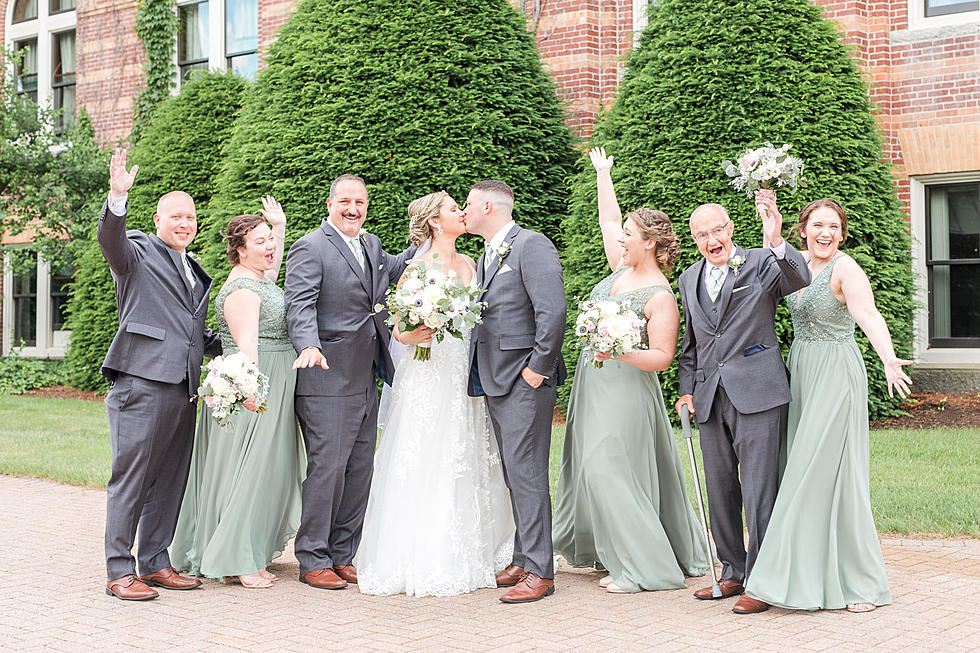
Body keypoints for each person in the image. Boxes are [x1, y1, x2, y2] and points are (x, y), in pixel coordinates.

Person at [552, 148, 708, 594]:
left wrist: (617, 350)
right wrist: (603, 175)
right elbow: (607, 222)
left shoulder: (660, 294)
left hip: (625, 388)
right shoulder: (620, 267)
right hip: (593, 384)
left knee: (610, 470)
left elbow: (661, 358)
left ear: (650, 243)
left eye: (630, 235)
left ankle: (646, 570)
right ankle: (614, 550)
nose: (621, 240)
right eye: (623, 235)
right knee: (588, 467)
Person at [745, 198, 910, 613]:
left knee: (828, 473)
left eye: (834, 226)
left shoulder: (846, 268)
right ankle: (805, 574)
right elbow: (768, 262)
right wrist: (772, 231)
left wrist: (888, 358)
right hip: (801, 371)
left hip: (837, 374)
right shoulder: (797, 261)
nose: (827, 233)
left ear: (842, 232)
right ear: (804, 230)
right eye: (818, 225)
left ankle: (861, 584)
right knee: (803, 469)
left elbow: (868, 315)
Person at [355, 191, 515, 597]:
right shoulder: (418, 267)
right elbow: (399, 330)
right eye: (452, 209)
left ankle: (476, 549)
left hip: (465, 368)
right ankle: (423, 553)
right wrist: (417, 331)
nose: (461, 212)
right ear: (435, 223)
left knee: (467, 449)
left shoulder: (471, 262)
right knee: (426, 450)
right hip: (429, 370)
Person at [675, 191, 810, 615]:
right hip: (709, 397)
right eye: (702, 234)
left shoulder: (760, 263)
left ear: (731, 228)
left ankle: (762, 578)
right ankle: (732, 569)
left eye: (717, 230)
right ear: (695, 239)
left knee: (759, 491)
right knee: (719, 490)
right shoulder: (687, 278)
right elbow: (692, 344)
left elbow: (799, 277)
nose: (711, 240)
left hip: (759, 391)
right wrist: (686, 389)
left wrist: (775, 240)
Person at [99, 147, 221, 601]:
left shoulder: (194, 269)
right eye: (175, 216)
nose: (184, 223)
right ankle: (118, 569)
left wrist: (238, 348)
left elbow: (194, 333)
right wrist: (116, 198)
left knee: (170, 479)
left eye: (190, 217)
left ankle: (154, 562)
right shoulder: (136, 252)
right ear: (157, 219)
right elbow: (110, 241)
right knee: (132, 476)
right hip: (141, 382)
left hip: (184, 388)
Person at [284, 174, 416, 590]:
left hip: (366, 377)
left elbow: (399, 265)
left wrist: (429, 232)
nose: (352, 208)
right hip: (326, 376)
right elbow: (299, 303)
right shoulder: (310, 246)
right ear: (329, 203)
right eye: (345, 201)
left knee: (360, 469)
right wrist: (308, 344)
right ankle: (313, 558)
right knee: (328, 469)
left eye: (359, 201)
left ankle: (343, 553)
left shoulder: (372, 245)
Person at [170, 203, 305, 589]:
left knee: (265, 472)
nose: (271, 247)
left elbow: (272, 271)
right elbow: (247, 348)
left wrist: (278, 225)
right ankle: (237, 559)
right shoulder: (242, 290)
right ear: (240, 250)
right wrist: (254, 395)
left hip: (275, 383)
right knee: (250, 472)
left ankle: (248, 547)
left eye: (271, 241)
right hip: (256, 388)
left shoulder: (259, 278)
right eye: (261, 242)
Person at [464, 180, 566, 604]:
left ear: (488, 205)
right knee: (513, 472)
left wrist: (537, 370)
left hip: (524, 379)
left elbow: (553, 310)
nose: (464, 211)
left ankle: (541, 572)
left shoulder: (532, 245)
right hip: (496, 377)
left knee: (526, 472)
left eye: (468, 204)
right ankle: (525, 557)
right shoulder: (488, 254)